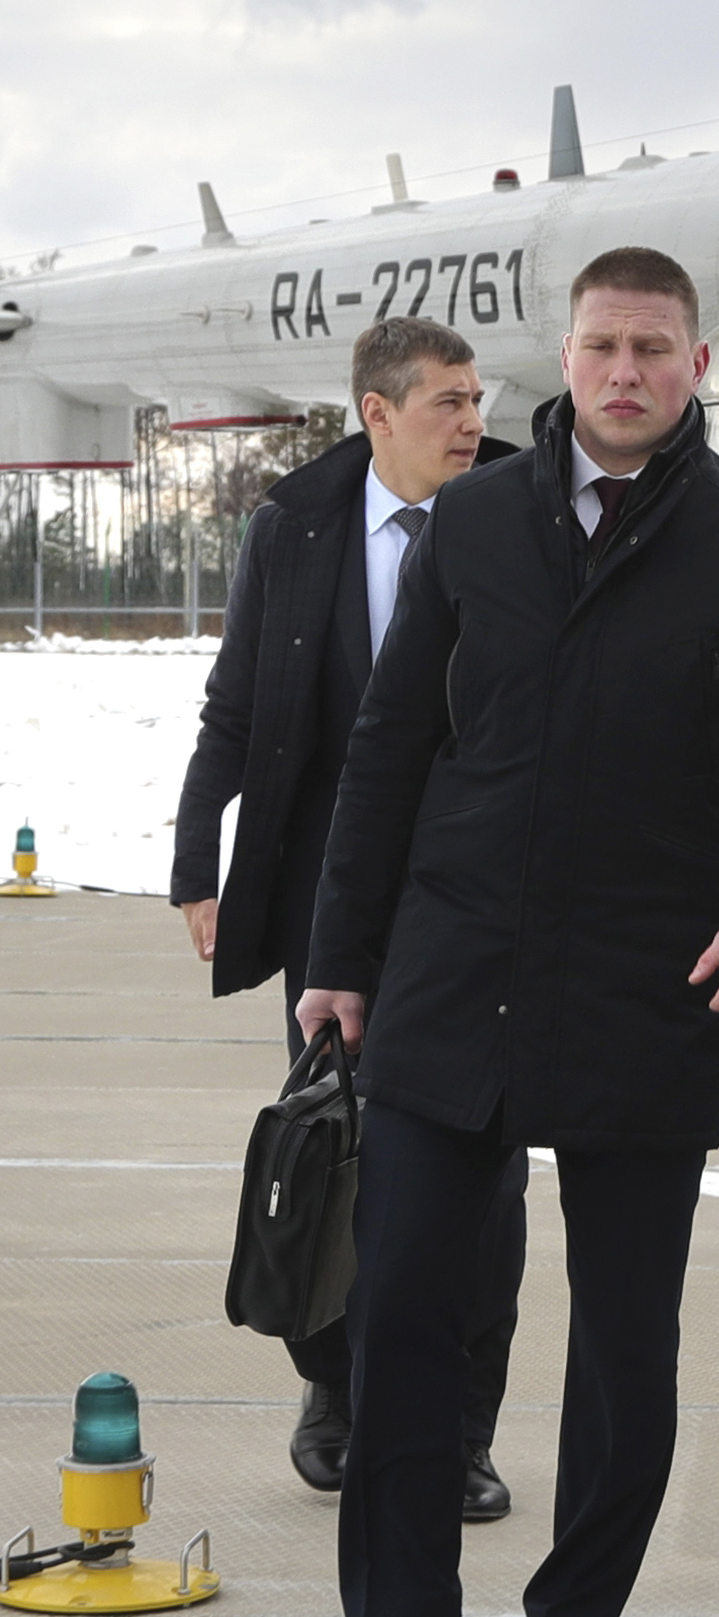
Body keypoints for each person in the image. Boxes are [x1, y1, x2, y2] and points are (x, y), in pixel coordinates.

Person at [291, 248, 719, 1617]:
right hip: (454, 976)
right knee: (406, 1313)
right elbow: (387, 752)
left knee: (623, 1337)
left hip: (650, 984)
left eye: (655, 348)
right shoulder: (475, 519)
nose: (626, 371)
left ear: (698, 366)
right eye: (603, 344)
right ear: (567, 355)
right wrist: (342, 960)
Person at [171, 317, 520, 1519]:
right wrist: (195, 862)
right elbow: (238, 704)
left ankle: (463, 1432)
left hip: (485, 899)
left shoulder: (524, 506)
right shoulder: (296, 527)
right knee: (330, 1148)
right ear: (378, 413)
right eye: (448, 404)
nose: (474, 422)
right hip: (333, 897)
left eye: (479, 399)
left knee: (485, 1174)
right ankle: (331, 1388)